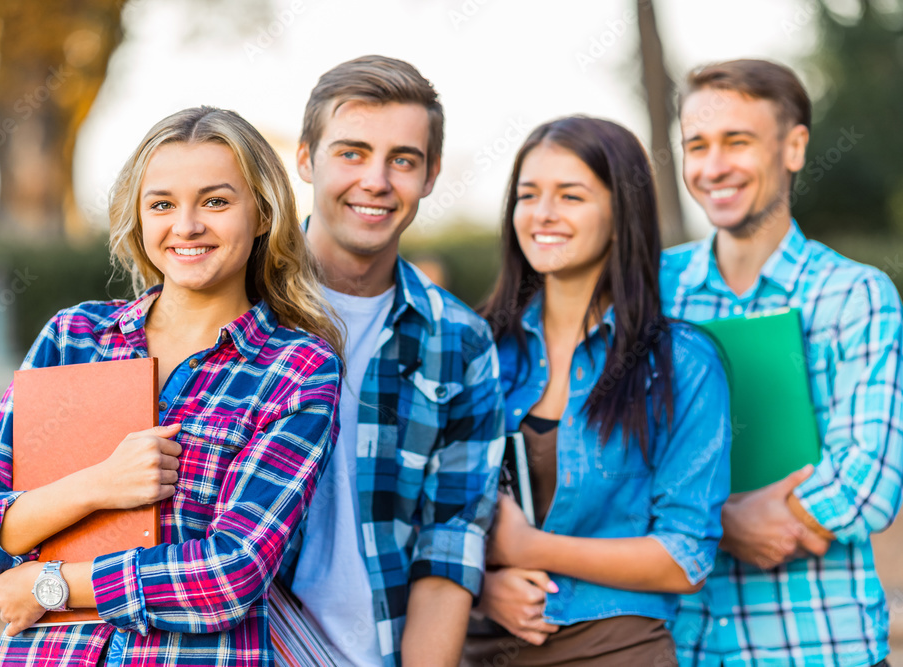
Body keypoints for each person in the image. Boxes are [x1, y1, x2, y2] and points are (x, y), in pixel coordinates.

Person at [0, 106, 343, 666]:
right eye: (162, 204)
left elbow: (230, 574)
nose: (187, 225)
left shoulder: (296, 369)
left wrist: (51, 586)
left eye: (216, 201)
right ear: (139, 217)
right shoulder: (74, 338)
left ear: (264, 214)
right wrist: (99, 485)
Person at [464, 116, 732, 666]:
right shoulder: (475, 347)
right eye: (528, 195)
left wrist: (529, 549)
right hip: (481, 644)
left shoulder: (681, 364)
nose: (543, 214)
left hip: (616, 647)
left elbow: (685, 556)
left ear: (620, 214)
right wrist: (485, 586)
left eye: (571, 196)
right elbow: (420, 512)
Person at [663, 59, 903, 667]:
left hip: (819, 645)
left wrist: (711, 523)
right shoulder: (653, 291)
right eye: (697, 145)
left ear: (794, 147)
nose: (713, 166)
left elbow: (869, 481)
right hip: (679, 647)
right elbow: (615, 461)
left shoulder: (856, 294)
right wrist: (726, 521)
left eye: (736, 141)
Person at [278, 55, 505, 666]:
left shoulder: (459, 341)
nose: (376, 180)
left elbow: (449, 542)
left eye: (403, 160)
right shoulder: (236, 306)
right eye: (351, 153)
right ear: (306, 158)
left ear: (430, 176)